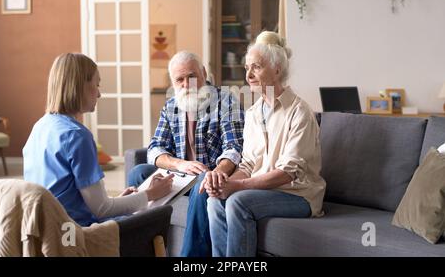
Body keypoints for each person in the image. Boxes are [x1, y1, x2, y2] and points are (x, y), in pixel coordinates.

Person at [204, 31, 327, 257]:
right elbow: (249, 164)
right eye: (247, 68)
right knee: (214, 201)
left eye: (256, 67)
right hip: (263, 191)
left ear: (277, 69)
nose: (248, 75)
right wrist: (225, 183)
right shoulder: (252, 114)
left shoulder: (300, 112)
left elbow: (288, 173)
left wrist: (237, 187)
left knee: (238, 202)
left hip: (298, 195)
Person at [23, 53, 174, 227]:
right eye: (97, 84)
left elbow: (75, 198)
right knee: (158, 218)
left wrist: (119, 201)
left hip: (47, 229)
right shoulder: (77, 135)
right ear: (79, 86)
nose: (99, 94)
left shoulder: (40, 126)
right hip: (73, 234)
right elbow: (101, 210)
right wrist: (149, 194)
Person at [127, 50, 244, 257]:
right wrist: (179, 164)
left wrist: (216, 172)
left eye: (191, 76)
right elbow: (155, 148)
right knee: (139, 173)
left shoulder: (225, 101)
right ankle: (141, 249)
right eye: (179, 79)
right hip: (181, 176)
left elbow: (234, 147)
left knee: (204, 182)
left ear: (204, 73)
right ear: (173, 83)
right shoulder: (171, 106)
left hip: (208, 175)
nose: (186, 84)